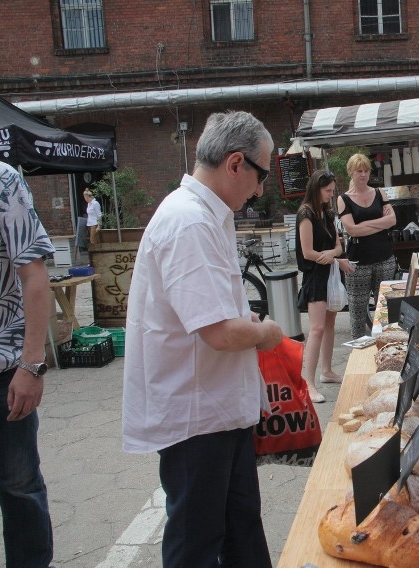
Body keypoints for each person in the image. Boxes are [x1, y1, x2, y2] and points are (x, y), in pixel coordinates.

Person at [122, 111, 283, 567]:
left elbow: (210, 310)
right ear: (236, 163)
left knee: (239, 530)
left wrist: (243, 320)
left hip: (216, 409)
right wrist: (265, 331)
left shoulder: (207, 216)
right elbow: (220, 332)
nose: (260, 189)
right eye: (261, 175)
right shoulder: (189, 221)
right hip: (197, 415)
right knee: (197, 541)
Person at [0, 158, 55, 567]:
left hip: (2, 372)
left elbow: (34, 275)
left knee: (20, 488)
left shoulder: (0, 180)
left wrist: (32, 364)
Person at [296, 170, 355, 403]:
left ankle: (327, 371)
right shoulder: (306, 214)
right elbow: (307, 252)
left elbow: (338, 247)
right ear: (316, 188)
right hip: (315, 277)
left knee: (329, 324)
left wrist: (332, 255)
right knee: (317, 328)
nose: (331, 195)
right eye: (328, 191)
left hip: (329, 272)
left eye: (332, 191)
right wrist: (334, 257)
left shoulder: (327, 212)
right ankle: (308, 382)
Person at [337, 153, 397, 339]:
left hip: (384, 257)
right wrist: (380, 222)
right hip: (358, 262)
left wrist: (363, 226)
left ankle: (387, 343)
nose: (363, 175)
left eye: (366, 170)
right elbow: (352, 231)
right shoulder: (343, 199)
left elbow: (393, 220)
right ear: (351, 173)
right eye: (359, 171)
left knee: (386, 308)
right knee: (357, 309)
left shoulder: (379, 193)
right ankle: (358, 348)